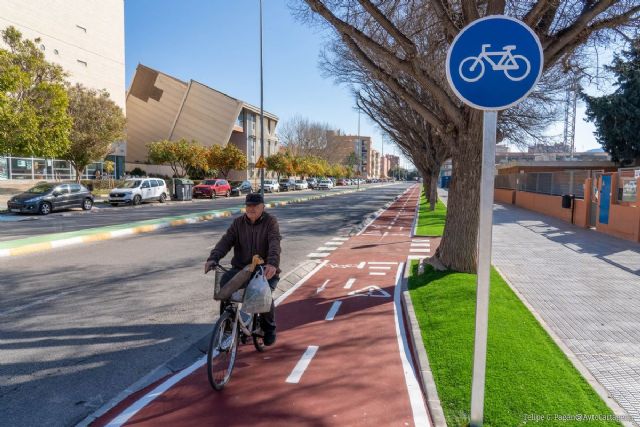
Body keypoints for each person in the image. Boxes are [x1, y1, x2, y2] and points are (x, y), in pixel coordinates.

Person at [205, 193, 281, 346]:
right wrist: (213, 258)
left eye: (255, 206)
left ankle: (269, 328)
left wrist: (272, 263)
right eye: (248, 206)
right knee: (225, 286)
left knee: (264, 296)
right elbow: (226, 241)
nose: (251, 209)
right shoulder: (238, 223)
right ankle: (227, 325)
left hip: (264, 270)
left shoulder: (270, 222)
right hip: (241, 269)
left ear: (262, 207)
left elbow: (274, 243)